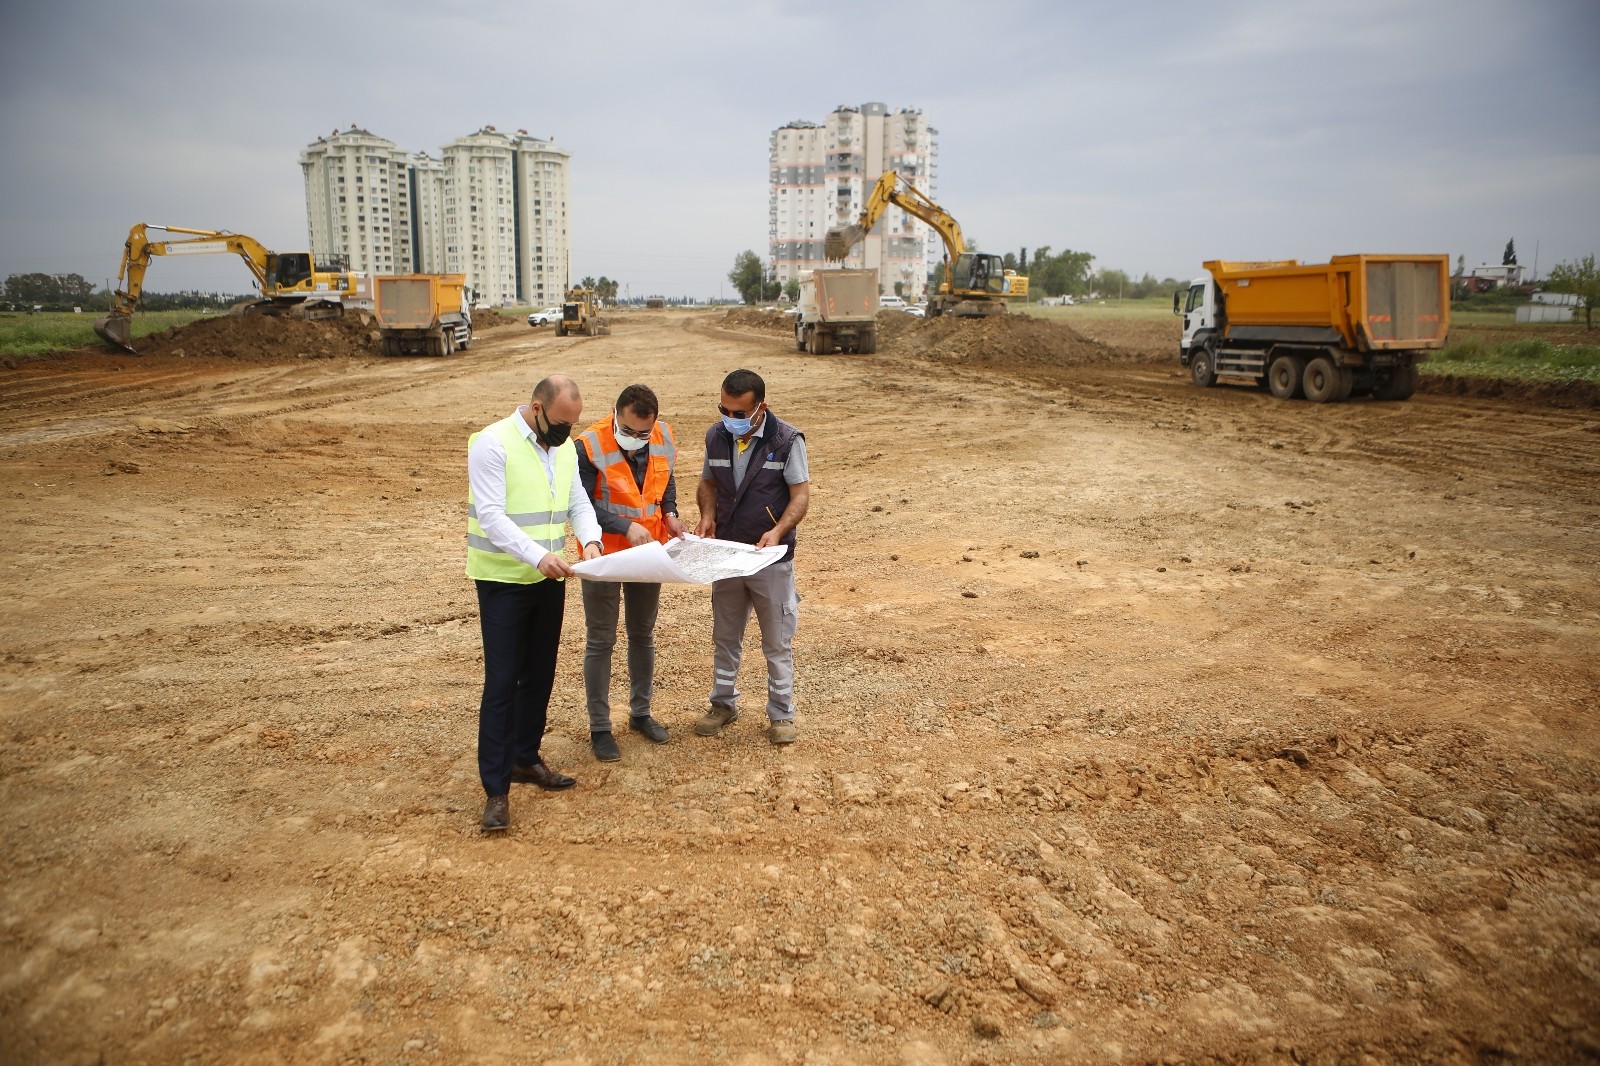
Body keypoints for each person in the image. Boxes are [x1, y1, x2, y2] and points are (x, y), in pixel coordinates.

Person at [466, 374, 602, 833]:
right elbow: (491, 515)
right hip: (504, 580)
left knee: (540, 673)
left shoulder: (561, 447)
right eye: (563, 422)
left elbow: (577, 502)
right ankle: (496, 790)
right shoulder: (492, 444)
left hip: (549, 579)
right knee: (503, 682)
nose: (569, 432)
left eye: (575, 423)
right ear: (538, 407)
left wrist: (592, 542)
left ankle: (526, 757)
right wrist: (539, 555)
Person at [693, 368, 810, 745]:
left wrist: (777, 532)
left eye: (739, 413)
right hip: (728, 554)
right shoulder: (716, 436)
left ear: (761, 408)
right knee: (725, 636)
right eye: (724, 409)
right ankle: (722, 704)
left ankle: (781, 713)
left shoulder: (788, 440)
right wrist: (707, 515)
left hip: (770, 558)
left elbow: (800, 496)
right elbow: (707, 481)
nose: (731, 419)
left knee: (776, 641)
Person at [575, 383, 685, 762]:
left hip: (647, 552)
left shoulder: (663, 435)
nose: (639, 439)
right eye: (631, 431)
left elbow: (665, 478)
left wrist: (669, 512)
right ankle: (600, 727)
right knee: (601, 640)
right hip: (603, 554)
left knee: (642, 634)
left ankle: (641, 714)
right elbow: (583, 506)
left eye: (645, 433)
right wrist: (623, 527)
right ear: (615, 413)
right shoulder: (588, 445)